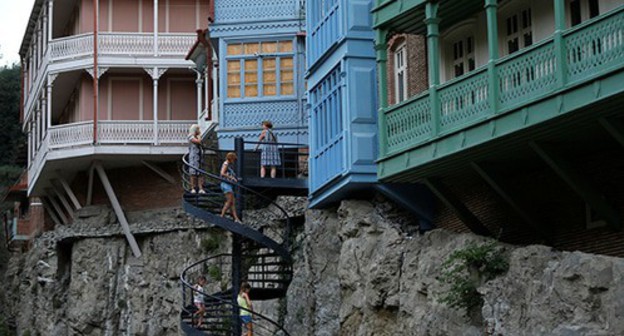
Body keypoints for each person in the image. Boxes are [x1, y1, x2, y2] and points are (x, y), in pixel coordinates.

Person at [220, 152, 242, 223]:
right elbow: (222, 173)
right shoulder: (226, 164)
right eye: (234, 159)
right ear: (231, 158)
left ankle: (236, 219)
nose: (234, 161)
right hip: (226, 185)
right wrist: (232, 178)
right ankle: (222, 216)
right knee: (229, 201)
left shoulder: (229, 165)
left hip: (229, 185)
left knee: (232, 203)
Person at [188, 124, 205, 194]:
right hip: (194, 157)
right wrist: (199, 136)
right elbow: (198, 142)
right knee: (193, 173)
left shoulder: (197, 137)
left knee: (200, 173)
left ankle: (201, 188)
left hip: (199, 156)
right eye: (198, 129)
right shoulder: (190, 136)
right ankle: (193, 188)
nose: (199, 131)